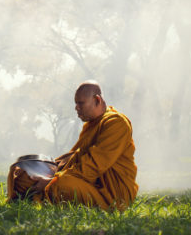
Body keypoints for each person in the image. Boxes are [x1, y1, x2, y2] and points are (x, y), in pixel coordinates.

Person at [7, 81, 137, 210]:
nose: (76, 108)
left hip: (111, 195)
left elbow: (93, 165)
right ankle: (35, 195)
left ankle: (35, 197)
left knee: (61, 185)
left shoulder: (116, 123)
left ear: (97, 100)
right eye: (76, 103)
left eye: (81, 103)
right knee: (21, 173)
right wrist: (49, 170)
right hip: (85, 182)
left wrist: (54, 178)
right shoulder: (91, 125)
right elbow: (74, 158)